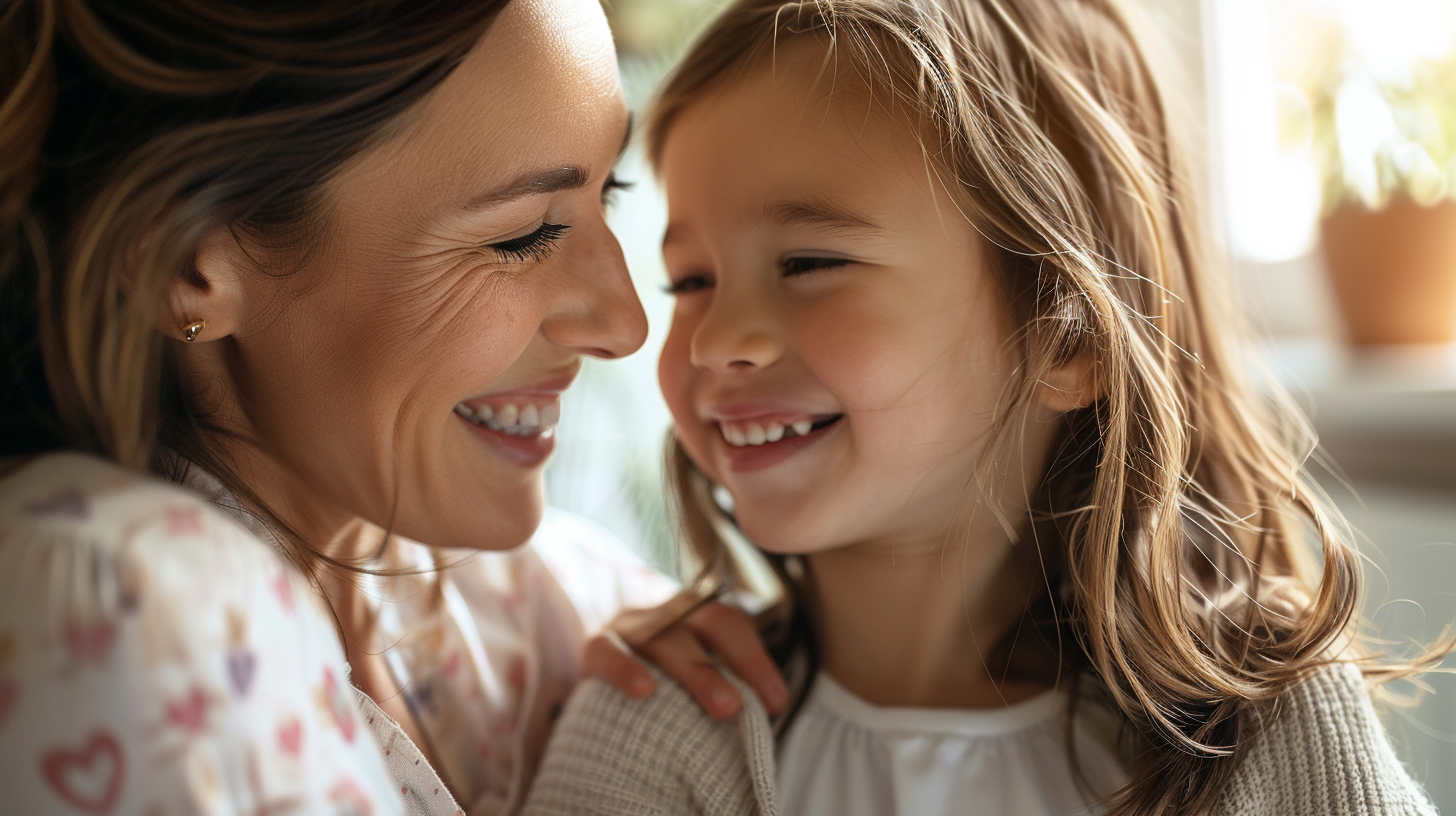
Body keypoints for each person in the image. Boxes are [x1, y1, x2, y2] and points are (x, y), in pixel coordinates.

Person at [521, 0, 1446, 814]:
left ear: (1066, 339)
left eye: (808, 264)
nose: (719, 339)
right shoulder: (659, 720)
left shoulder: (1268, 724)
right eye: (690, 279)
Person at [0, 0, 786, 813]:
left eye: (609, 191)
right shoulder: (111, 601)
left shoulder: (552, 610)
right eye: (521, 236)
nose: (626, 324)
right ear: (186, 262)